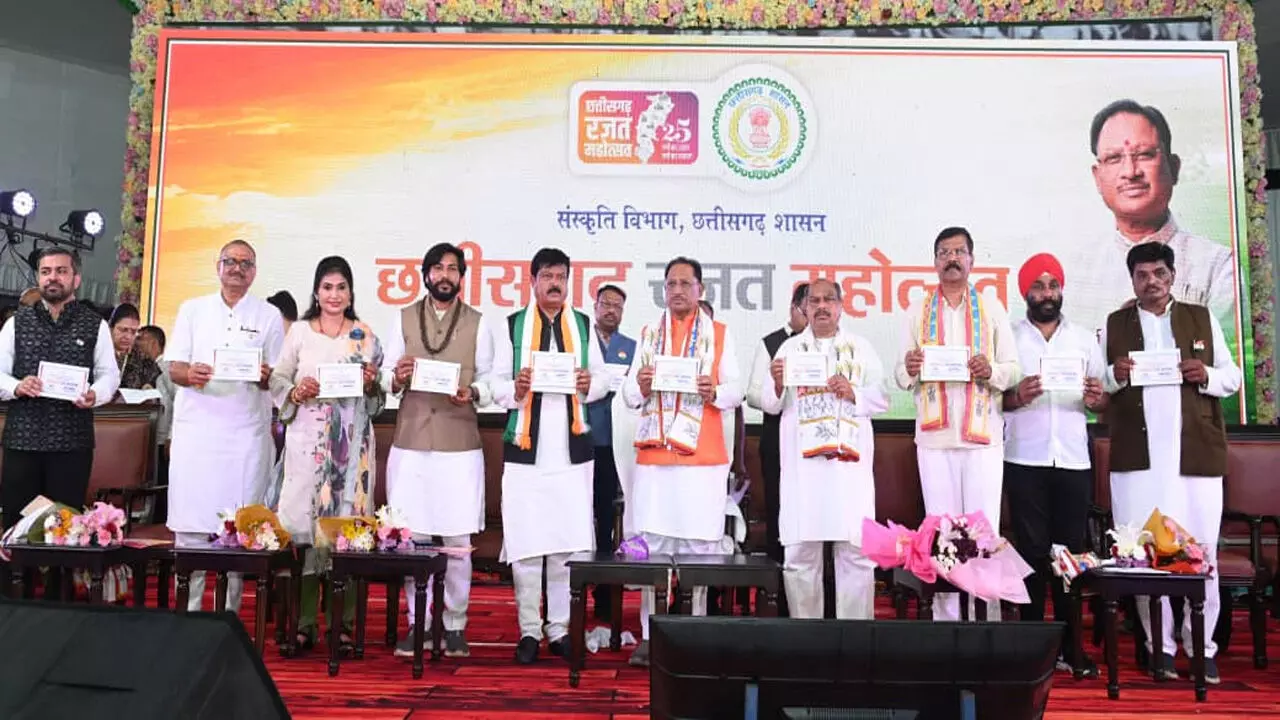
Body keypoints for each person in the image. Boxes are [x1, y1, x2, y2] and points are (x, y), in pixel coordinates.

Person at [1101, 242, 1239, 684]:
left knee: (1202, 554)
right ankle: (1158, 646)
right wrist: (1114, 375)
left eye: (1160, 273)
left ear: (1173, 275)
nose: (1152, 282)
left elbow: (1233, 377)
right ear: (1132, 280)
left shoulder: (1200, 318)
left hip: (1193, 459)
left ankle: (1202, 649)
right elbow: (1098, 387)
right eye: (1142, 275)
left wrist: (1207, 375)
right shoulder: (1115, 324)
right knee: (1143, 554)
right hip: (1138, 462)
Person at [623, 256, 744, 666]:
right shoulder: (648, 334)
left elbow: (736, 391)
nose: (677, 290)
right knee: (653, 547)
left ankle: (696, 634)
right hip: (656, 460)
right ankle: (649, 635)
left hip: (702, 462)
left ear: (700, 290)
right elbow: (628, 395)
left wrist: (715, 391)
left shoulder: (720, 334)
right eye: (670, 284)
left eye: (685, 284)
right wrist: (640, 385)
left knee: (700, 549)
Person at [894, 227, 1020, 622]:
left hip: (982, 440)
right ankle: (946, 621)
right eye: (944, 252)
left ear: (971, 260)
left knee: (983, 529)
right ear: (934, 262)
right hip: (934, 439)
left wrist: (991, 370)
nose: (952, 258)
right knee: (942, 531)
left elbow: (1013, 369)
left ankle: (987, 618)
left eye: (959, 251)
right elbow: (900, 374)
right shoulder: (917, 310)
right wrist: (910, 367)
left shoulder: (991, 307)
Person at [493, 247, 608, 664]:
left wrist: (589, 383)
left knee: (563, 545)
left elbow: (603, 380)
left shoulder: (583, 325)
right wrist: (516, 389)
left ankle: (559, 629)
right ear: (533, 281)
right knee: (526, 544)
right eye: (547, 276)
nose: (554, 283)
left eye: (561, 276)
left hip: (571, 453)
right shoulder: (512, 326)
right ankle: (528, 630)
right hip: (526, 450)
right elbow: (494, 384)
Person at [382, 242, 494, 659]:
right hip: (411, 442)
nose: (445, 275)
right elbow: (385, 377)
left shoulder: (480, 322)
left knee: (457, 540)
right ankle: (419, 624)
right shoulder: (402, 317)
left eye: (453, 269)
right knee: (414, 539)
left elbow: (493, 378)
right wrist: (397, 376)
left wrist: (475, 391)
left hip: (459, 444)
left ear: (461, 277)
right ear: (426, 274)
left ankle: (455, 624)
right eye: (438, 268)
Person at [269, 256, 383, 652]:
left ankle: (344, 625)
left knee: (345, 532)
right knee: (304, 532)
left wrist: (372, 385)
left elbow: (378, 399)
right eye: (327, 287)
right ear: (316, 292)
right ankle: (303, 625)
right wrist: (296, 392)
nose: (334, 295)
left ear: (350, 293)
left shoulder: (364, 335)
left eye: (341, 287)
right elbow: (278, 378)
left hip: (351, 450)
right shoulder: (300, 332)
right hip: (306, 445)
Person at [1001, 253, 1106, 676]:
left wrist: (1098, 399)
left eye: (1053, 285)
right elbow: (994, 398)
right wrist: (1016, 397)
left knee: (1070, 556)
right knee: (1031, 554)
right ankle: (1032, 647)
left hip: (1073, 460)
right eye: (1038, 286)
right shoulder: (1009, 338)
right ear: (1025, 292)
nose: (1047, 294)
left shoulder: (1083, 339)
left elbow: (1102, 398)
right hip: (1024, 457)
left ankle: (1070, 647)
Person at [167, 239, 285, 612]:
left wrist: (266, 376)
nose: (237, 268)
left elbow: (277, 378)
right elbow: (174, 368)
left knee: (241, 526)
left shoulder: (268, 316)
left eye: (245, 263)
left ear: (255, 272)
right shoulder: (192, 309)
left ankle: (229, 615)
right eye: (230, 261)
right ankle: (188, 614)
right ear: (217, 266)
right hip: (198, 435)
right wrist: (190, 373)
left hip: (246, 436)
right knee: (193, 525)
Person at [760, 278, 885, 619]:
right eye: (813, 301)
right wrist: (777, 383)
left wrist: (854, 393)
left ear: (841, 306)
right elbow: (770, 404)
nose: (821, 306)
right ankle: (806, 639)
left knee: (856, 555)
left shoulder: (860, 348)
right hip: (804, 471)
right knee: (800, 556)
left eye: (828, 299)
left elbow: (883, 398)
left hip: (848, 471)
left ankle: (856, 639)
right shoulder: (789, 350)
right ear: (804, 309)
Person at [0, 248, 119, 598]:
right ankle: (12, 602)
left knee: (67, 527)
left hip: (72, 442)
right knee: (16, 526)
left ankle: (60, 603)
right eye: (46, 271)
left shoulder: (95, 324)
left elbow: (109, 375)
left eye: (61, 271)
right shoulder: (17, 322)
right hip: (23, 440)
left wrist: (95, 394)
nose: (53, 277)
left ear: (75, 279)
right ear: (38, 277)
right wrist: (16, 386)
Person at [1072, 100, 1236, 336]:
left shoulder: (1218, 267)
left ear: (1174, 167)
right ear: (1097, 178)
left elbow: (1223, 350)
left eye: (1144, 155)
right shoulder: (1077, 274)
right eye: (1114, 158)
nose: (1131, 172)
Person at [745, 282, 809, 595]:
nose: (813, 316)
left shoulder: (832, 344)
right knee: (779, 509)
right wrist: (779, 392)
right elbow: (753, 395)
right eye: (807, 310)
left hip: (816, 443)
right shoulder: (772, 343)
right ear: (793, 309)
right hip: (778, 441)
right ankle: (779, 592)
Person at [586, 283, 635, 621]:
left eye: (617, 306)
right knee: (578, 516)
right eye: (606, 304)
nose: (611, 310)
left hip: (615, 444)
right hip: (580, 439)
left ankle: (604, 596)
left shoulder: (631, 348)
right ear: (595, 306)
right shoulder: (581, 342)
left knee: (607, 520)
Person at [137, 324, 174, 523]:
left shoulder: (167, 369)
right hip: (149, 436)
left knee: (162, 482)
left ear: (153, 342)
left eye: (140, 339)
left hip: (163, 438)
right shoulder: (144, 368)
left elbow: (178, 403)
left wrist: (171, 436)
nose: (137, 343)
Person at [109, 303, 162, 390]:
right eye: (123, 330)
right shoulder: (98, 352)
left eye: (133, 332)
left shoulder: (143, 361)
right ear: (111, 328)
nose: (128, 336)